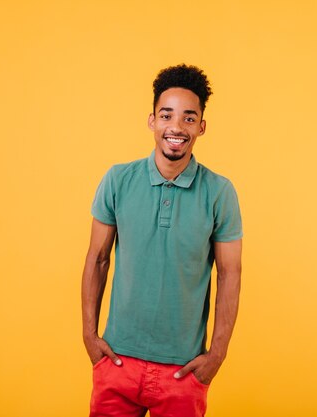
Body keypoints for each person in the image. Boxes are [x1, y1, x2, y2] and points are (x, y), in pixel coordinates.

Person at [81, 63, 243, 417]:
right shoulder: (118, 180)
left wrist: (217, 354)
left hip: (182, 371)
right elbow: (98, 259)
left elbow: (230, 274)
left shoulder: (219, 192)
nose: (176, 127)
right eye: (167, 115)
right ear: (152, 120)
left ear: (201, 126)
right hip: (117, 362)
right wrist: (90, 338)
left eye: (189, 118)